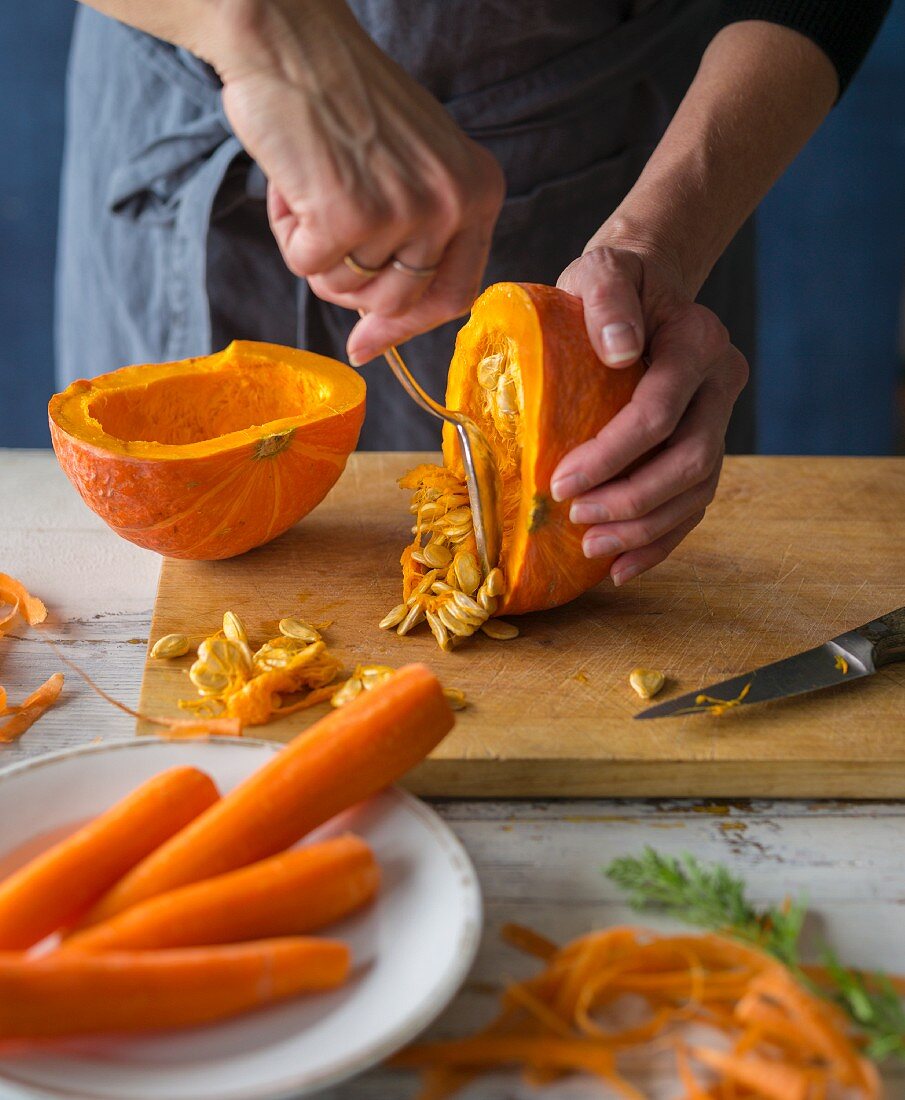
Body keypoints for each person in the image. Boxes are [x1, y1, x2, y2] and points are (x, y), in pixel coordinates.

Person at [58, 1, 889, 586]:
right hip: (174, 85)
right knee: (147, 591)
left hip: (605, 150)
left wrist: (658, 242)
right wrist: (265, 29)